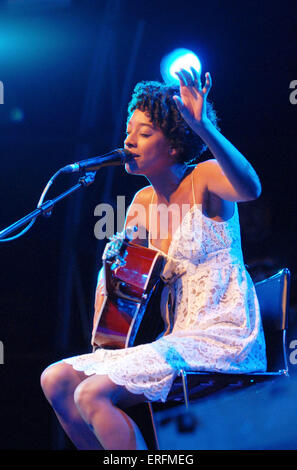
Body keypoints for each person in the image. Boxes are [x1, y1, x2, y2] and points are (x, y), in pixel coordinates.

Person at [40, 67, 267, 450]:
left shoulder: (206, 178)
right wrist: (112, 273)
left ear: (174, 146)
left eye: (144, 133)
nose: (129, 140)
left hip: (223, 333)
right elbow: (124, 292)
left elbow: (252, 187)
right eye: (129, 130)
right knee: (57, 381)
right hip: (176, 338)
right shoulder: (141, 205)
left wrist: (203, 127)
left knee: (91, 394)